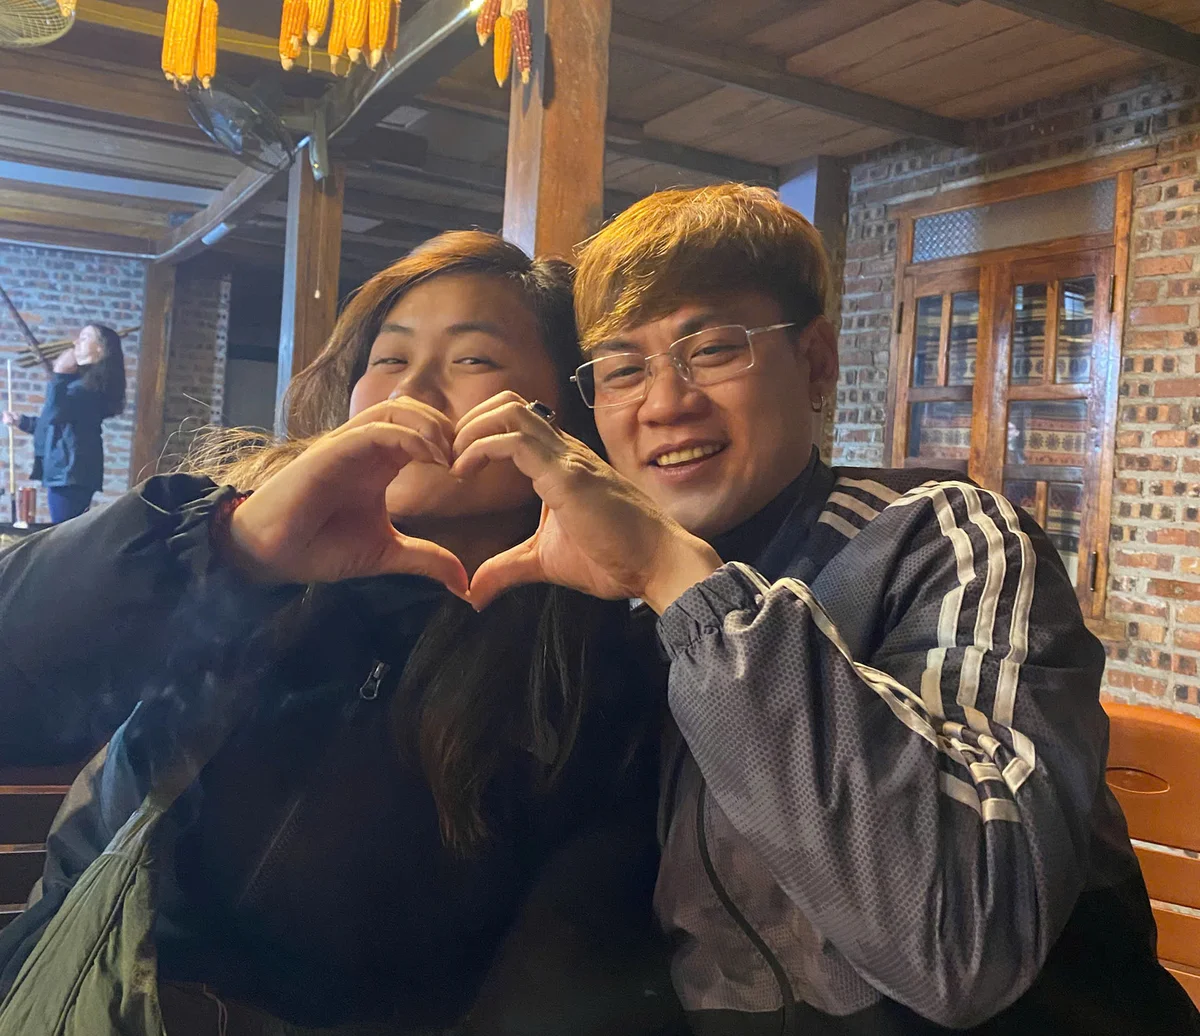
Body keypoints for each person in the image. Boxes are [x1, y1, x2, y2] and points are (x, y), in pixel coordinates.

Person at [440, 186, 1200, 1035]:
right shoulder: (599, 595)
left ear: (817, 362)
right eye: (622, 369)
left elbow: (962, 940)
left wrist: (674, 576)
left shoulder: (936, 539)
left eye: (714, 349)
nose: (663, 402)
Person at [0, 233, 679, 1036]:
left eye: (473, 362)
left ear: (565, 414)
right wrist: (235, 552)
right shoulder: (222, 530)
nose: (416, 392)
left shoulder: (590, 663)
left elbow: (562, 972)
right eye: (388, 361)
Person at [1, 323, 126, 523]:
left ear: (100, 349)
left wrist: (59, 372)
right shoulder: (80, 382)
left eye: (85, 338)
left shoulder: (91, 387)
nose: (76, 342)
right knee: (65, 533)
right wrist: (22, 421)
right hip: (67, 471)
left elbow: (54, 414)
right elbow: (57, 425)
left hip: (71, 473)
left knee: (64, 535)